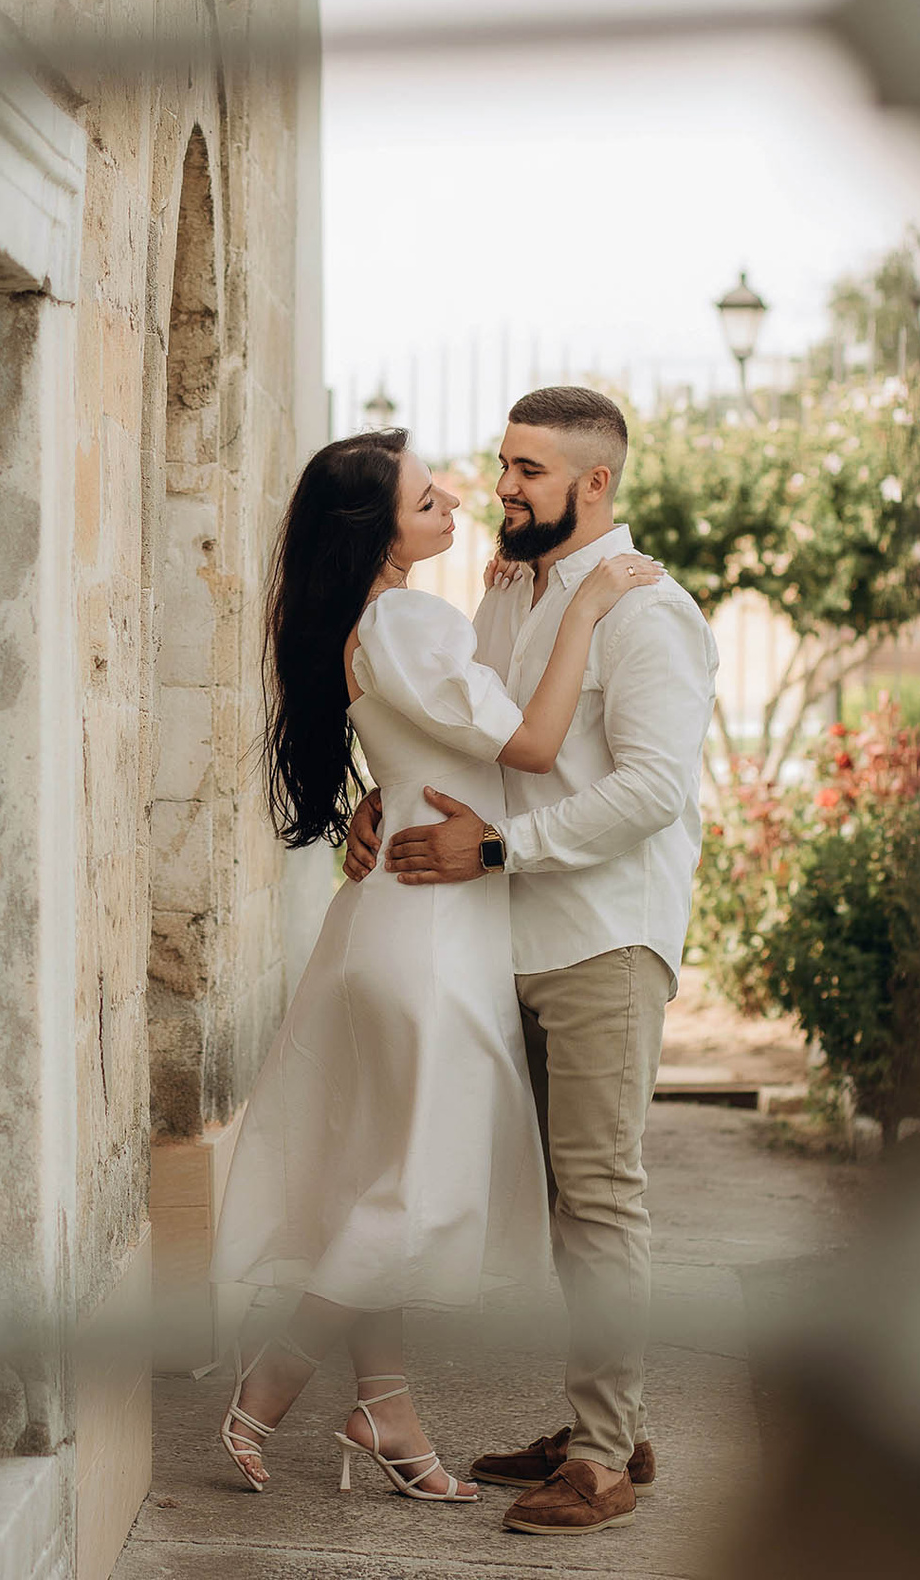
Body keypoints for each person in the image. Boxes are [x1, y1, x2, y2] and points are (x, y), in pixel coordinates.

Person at [209, 426, 665, 1504]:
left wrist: (512, 602)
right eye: (426, 496)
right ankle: (266, 1390)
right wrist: (589, 606)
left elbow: (445, 731)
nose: (457, 496)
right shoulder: (408, 620)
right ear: (378, 530)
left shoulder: (380, 623)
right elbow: (535, 745)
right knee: (418, 1193)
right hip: (433, 931)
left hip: (396, 915)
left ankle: (389, 1411)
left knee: (385, 1170)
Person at [345, 385, 718, 1536]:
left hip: (603, 936)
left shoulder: (646, 612)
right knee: (562, 1204)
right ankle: (605, 1422)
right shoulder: (507, 593)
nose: (503, 487)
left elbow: (652, 789)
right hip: (507, 931)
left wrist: (502, 847)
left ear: (593, 484)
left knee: (600, 1198)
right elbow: (483, 737)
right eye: (503, 464)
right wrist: (380, 802)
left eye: (528, 472)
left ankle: (602, 1462)